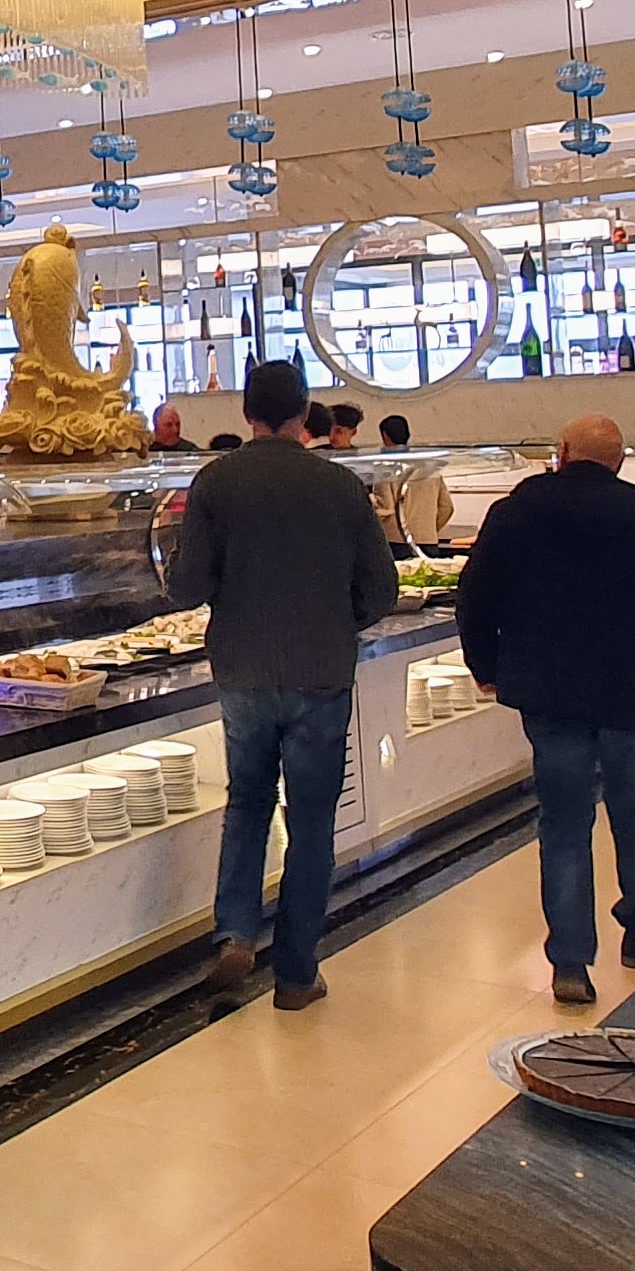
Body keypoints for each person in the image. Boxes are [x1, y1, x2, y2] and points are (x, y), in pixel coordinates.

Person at [456, 414, 635, 1008]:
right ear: (619, 461)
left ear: (562, 452)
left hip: (549, 692)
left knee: (564, 823)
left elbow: (475, 598)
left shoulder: (514, 515)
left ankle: (570, 962)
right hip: (633, 690)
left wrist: (487, 666)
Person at [165, 360, 399, 1011]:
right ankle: (296, 974)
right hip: (320, 671)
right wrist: (337, 622)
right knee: (313, 819)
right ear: (303, 415)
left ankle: (236, 933)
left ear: (246, 414)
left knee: (247, 802)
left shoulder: (215, 481)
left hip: (242, 669)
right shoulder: (340, 484)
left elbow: (187, 585)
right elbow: (381, 589)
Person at [376, 413, 453, 551]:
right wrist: (429, 528)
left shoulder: (385, 466)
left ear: (385, 436)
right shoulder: (430, 467)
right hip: (428, 540)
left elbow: (385, 507)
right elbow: (447, 507)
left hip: (396, 540)